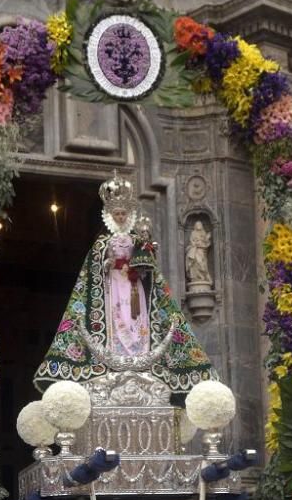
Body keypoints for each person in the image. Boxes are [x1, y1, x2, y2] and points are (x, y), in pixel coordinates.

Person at [34, 171, 218, 403]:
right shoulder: (102, 243)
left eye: (123, 213)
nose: (120, 217)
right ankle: (116, 353)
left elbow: (149, 266)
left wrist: (145, 254)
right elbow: (94, 269)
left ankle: (140, 354)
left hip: (134, 286)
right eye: (117, 213)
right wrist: (109, 261)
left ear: (129, 215)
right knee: (117, 315)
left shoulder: (138, 240)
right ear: (109, 216)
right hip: (113, 289)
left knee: (136, 318)